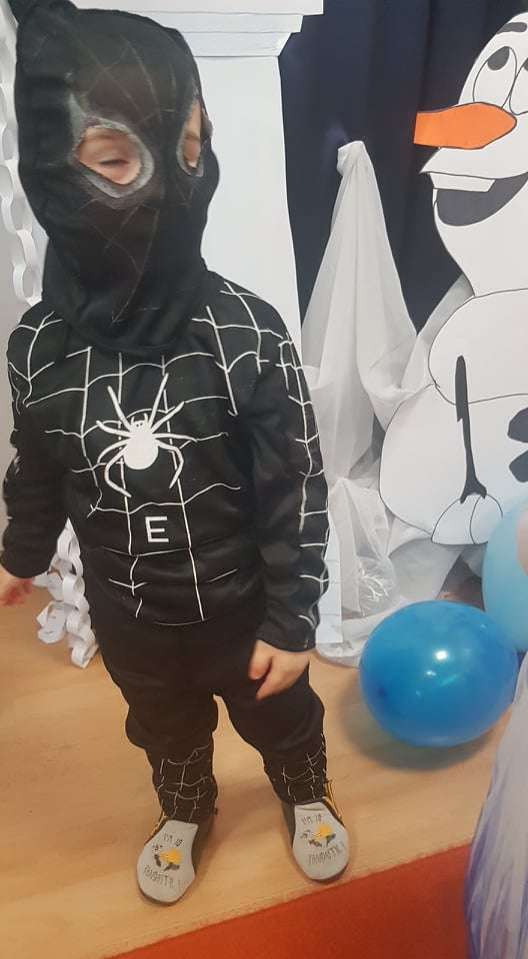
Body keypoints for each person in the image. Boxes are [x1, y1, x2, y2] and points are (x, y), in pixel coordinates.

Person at [0, 0, 349, 904]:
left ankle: (305, 790)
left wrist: (292, 621)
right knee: (165, 730)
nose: (162, 188)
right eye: (115, 159)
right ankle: (187, 806)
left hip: (244, 607)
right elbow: (37, 463)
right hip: (130, 616)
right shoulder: (39, 350)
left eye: (189, 149)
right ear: (51, 166)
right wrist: (20, 553)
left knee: (282, 717)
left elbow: (295, 486)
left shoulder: (244, 334)